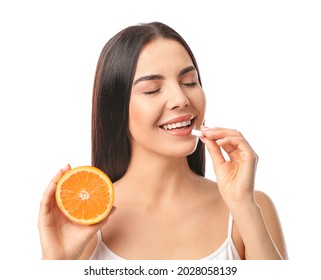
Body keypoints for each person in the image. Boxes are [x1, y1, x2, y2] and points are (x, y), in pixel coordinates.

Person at [38, 22, 288, 260]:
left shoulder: (252, 208)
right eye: (152, 89)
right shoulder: (84, 221)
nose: (181, 98)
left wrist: (243, 205)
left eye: (189, 82)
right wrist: (56, 264)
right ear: (116, 108)